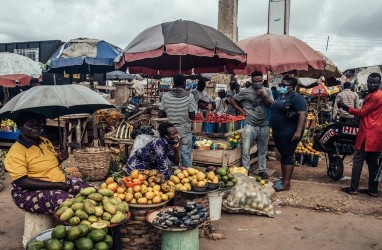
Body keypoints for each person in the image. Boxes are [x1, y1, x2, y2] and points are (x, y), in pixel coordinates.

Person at [4, 111, 90, 214]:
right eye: (31, 124)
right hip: (28, 192)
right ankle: (66, 228)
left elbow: (49, 165)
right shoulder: (16, 152)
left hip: (59, 181)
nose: (36, 127)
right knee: (69, 204)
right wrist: (56, 185)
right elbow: (22, 182)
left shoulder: (45, 141)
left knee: (90, 190)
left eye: (38, 124)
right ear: (20, 128)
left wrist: (61, 158)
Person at [338, 73, 382, 197]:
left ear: (379, 83)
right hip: (377, 134)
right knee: (373, 163)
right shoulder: (377, 95)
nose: (372, 84)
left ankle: (353, 188)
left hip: (368, 133)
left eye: (375, 82)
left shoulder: (375, 96)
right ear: (367, 81)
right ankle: (373, 190)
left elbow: (362, 112)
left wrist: (345, 107)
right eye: (370, 82)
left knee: (358, 160)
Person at [229, 71, 274, 179]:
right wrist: (241, 110)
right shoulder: (245, 92)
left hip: (263, 125)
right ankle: (246, 169)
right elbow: (232, 100)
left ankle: (262, 170)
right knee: (246, 149)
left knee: (262, 149)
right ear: (251, 81)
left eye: (260, 81)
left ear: (262, 81)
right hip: (250, 124)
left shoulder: (267, 91)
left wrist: (264, 97)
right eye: (255, 81)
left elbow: (271, 105)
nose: (257, 83)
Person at [270, 76, 307, 191]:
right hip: (279, 132)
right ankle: (283, 179)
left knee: (288, 156)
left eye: (284, 85)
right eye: (281, 84)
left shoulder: (297, 97)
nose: (281, 87)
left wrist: (298, 131)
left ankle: (286, 184)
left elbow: (303, 114)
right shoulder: (282, 95)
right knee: (284, 156)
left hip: (289, 132)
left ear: (292, 86)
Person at [159, 74, 197, 167]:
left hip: (170, 132)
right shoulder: (190, 96)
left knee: (171, 156)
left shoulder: (166, 96)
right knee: (186, 156)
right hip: (184, 130)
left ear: (173, 83)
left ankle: (171, 176)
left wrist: (170, 110)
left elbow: (160, 114)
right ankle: (187, 175)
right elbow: (192, 116)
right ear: (184, 83)